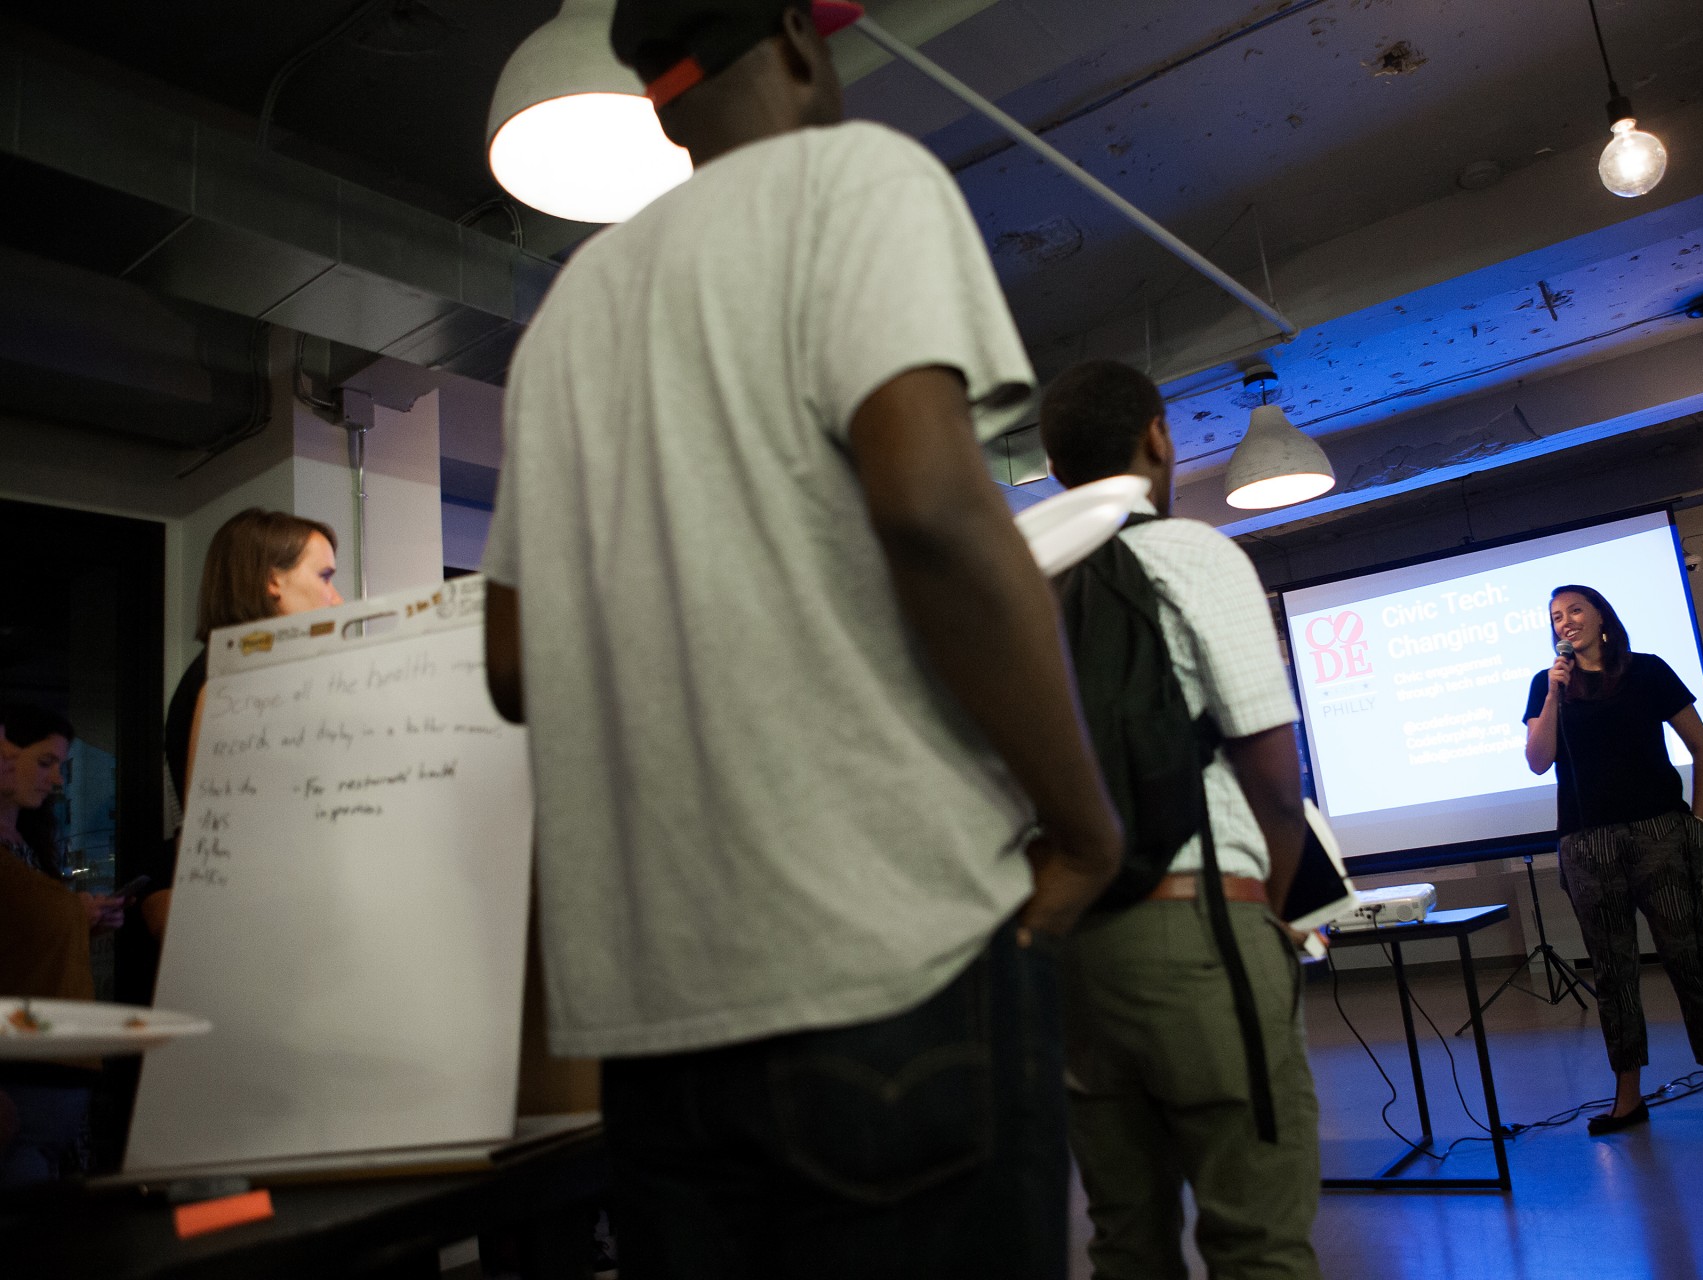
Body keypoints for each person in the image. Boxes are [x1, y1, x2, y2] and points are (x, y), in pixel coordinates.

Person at [480, 3, 1122, 1277]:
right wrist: (1087, 825)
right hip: (890, 974)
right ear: (794, 40)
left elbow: (511, 666)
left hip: (659, 1036)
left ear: (661, 103)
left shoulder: (566, 316)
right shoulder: (856, 177)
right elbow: (934, 509)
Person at [1037, 359, 1322, 1279]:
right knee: (1258, 1243)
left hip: (1075, 955)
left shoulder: (1027, 587)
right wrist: (1271, 914)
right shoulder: (1191, 554)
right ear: (1158, 437)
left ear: (1055, 468)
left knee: (1126, 1244)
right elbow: (1274, 778)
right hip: (1202, 929)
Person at [1522, 585, 1703, 1136]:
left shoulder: (1647, 670)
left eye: (1575, 610)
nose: (1565, 621)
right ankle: (1627, 1098)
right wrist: (1555, 695)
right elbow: (1537, 761)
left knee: (1689, 964)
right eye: (1556, 616)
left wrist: (1696, 820)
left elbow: (1702, 749)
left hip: (1660, 833)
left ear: (1602, 617)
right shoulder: (1547, 683)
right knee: (1613, 974)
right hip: (1587, 843)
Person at [147, 508, 342, 939]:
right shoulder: (233, 683)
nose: (337, 599)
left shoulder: (227, 674)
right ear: (272, 581)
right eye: (325, 577)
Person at [0, 706, 115, 1184]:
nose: (57, 780)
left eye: (61, 767)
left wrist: (81, 923)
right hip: (20, 1087)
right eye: (45, 762)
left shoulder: (27, 845)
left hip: (51, 1080)